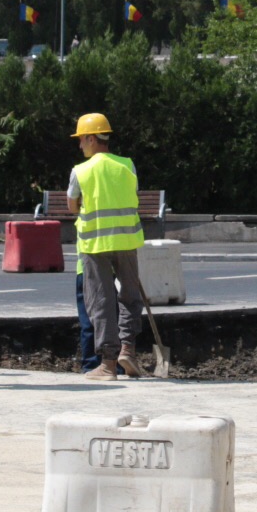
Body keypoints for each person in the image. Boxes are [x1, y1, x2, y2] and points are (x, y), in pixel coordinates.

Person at [67, 113, 144, 382]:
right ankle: (128, 349)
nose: (80, 146)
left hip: (94, 244)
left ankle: (109, 365)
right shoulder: (127, 165)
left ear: (91, 138)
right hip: (126, 241)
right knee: (130, 297)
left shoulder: (81, 171)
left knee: (101, 301)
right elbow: (132, 196)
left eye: (81, 140)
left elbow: (72, 205)